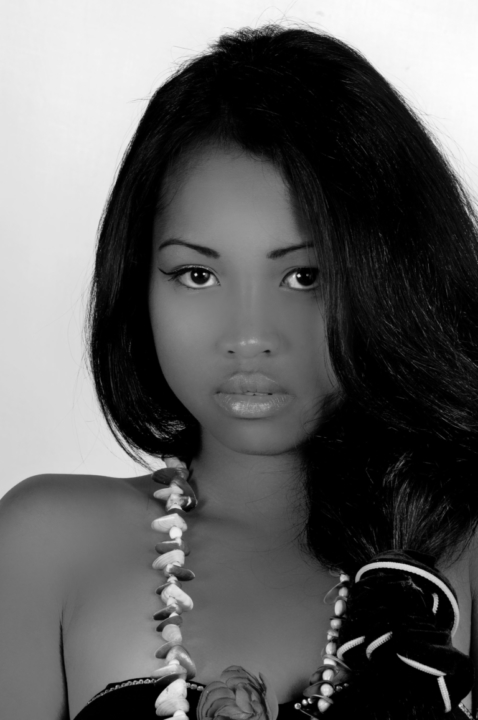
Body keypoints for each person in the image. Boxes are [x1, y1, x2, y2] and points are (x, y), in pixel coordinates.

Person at [1, 22, 477, 720]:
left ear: (396, 279)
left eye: (305, 276)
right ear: (139, 282)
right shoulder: (44, 546)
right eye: (197, 274)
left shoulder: (461, 552)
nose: (249, 337)